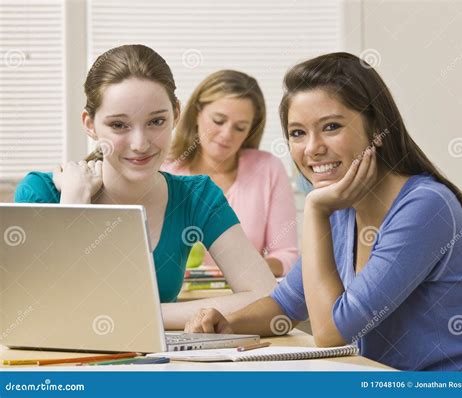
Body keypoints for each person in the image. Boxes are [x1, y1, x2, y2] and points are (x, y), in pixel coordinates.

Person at [183, 52, 462, 371]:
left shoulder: (425, 205)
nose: (312, 148)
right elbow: (284, 305)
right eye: (298, 133)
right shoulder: (341, 207)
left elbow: (330, 333)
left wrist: (315, 208)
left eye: (331, 126)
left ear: (376, 127)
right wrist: (226, 324)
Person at [14, 44, 276, 330]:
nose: (140, 144)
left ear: (176, 113)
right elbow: (31, 315)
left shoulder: (196, 196)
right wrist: (74, 204)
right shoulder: (43, 194)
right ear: (89, 124)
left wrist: (145, 313)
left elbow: (269, 300)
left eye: (156, 121)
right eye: (119, 125)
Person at [162, 70, 298, 276]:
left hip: (244, 300)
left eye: (240, 127)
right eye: (218, 121)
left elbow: (287, 256)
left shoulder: (268, 169)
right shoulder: (164, 169)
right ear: (197, 113)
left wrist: (247, 270)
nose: (227, 135)